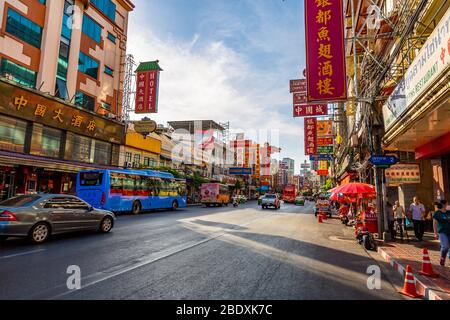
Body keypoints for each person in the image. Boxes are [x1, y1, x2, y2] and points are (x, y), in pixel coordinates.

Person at [433, 202, 450, 266]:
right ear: (443, 205)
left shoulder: (448, 212)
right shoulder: (437, 213)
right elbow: (434, 223)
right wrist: (435, 233)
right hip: (442, 232)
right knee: (445, 247)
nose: (448, 205)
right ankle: (443, 257)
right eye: (447, 204)